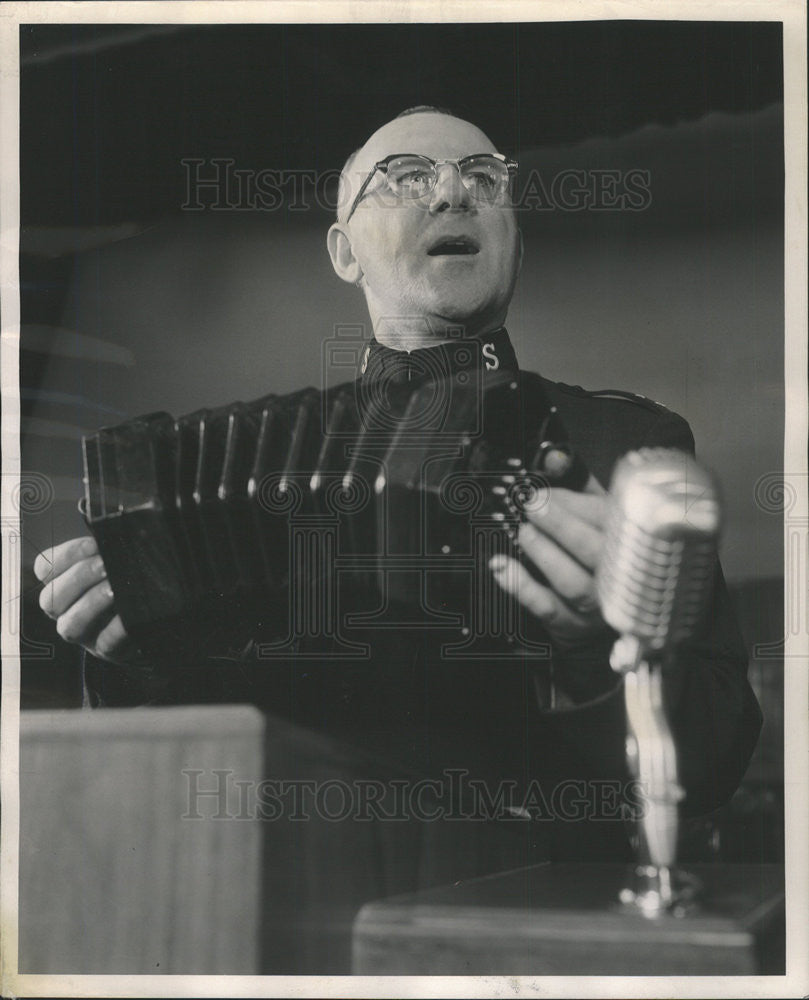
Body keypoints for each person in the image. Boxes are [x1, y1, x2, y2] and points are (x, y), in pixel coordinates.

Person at [34, 107, 761, 968]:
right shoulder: (231, 473)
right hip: (303, 912)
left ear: (513, 237)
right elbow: (202, 760)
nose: (452, 191)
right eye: (407, 177)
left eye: (483, 179)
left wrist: (595, 647)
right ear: (344, 252)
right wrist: (125, 656)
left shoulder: (626, 450)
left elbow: (712, 755)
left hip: (536, 913)